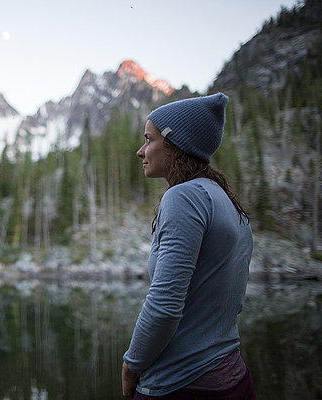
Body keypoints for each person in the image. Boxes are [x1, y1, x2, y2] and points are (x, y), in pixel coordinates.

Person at [122, 93, 255, 399]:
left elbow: (165, 305)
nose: (140, 151)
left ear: (173, 143)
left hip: (181, 385)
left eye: (148, 139)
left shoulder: (183, 197)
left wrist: (131, 367)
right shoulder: (230, 205)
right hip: (233, 378)